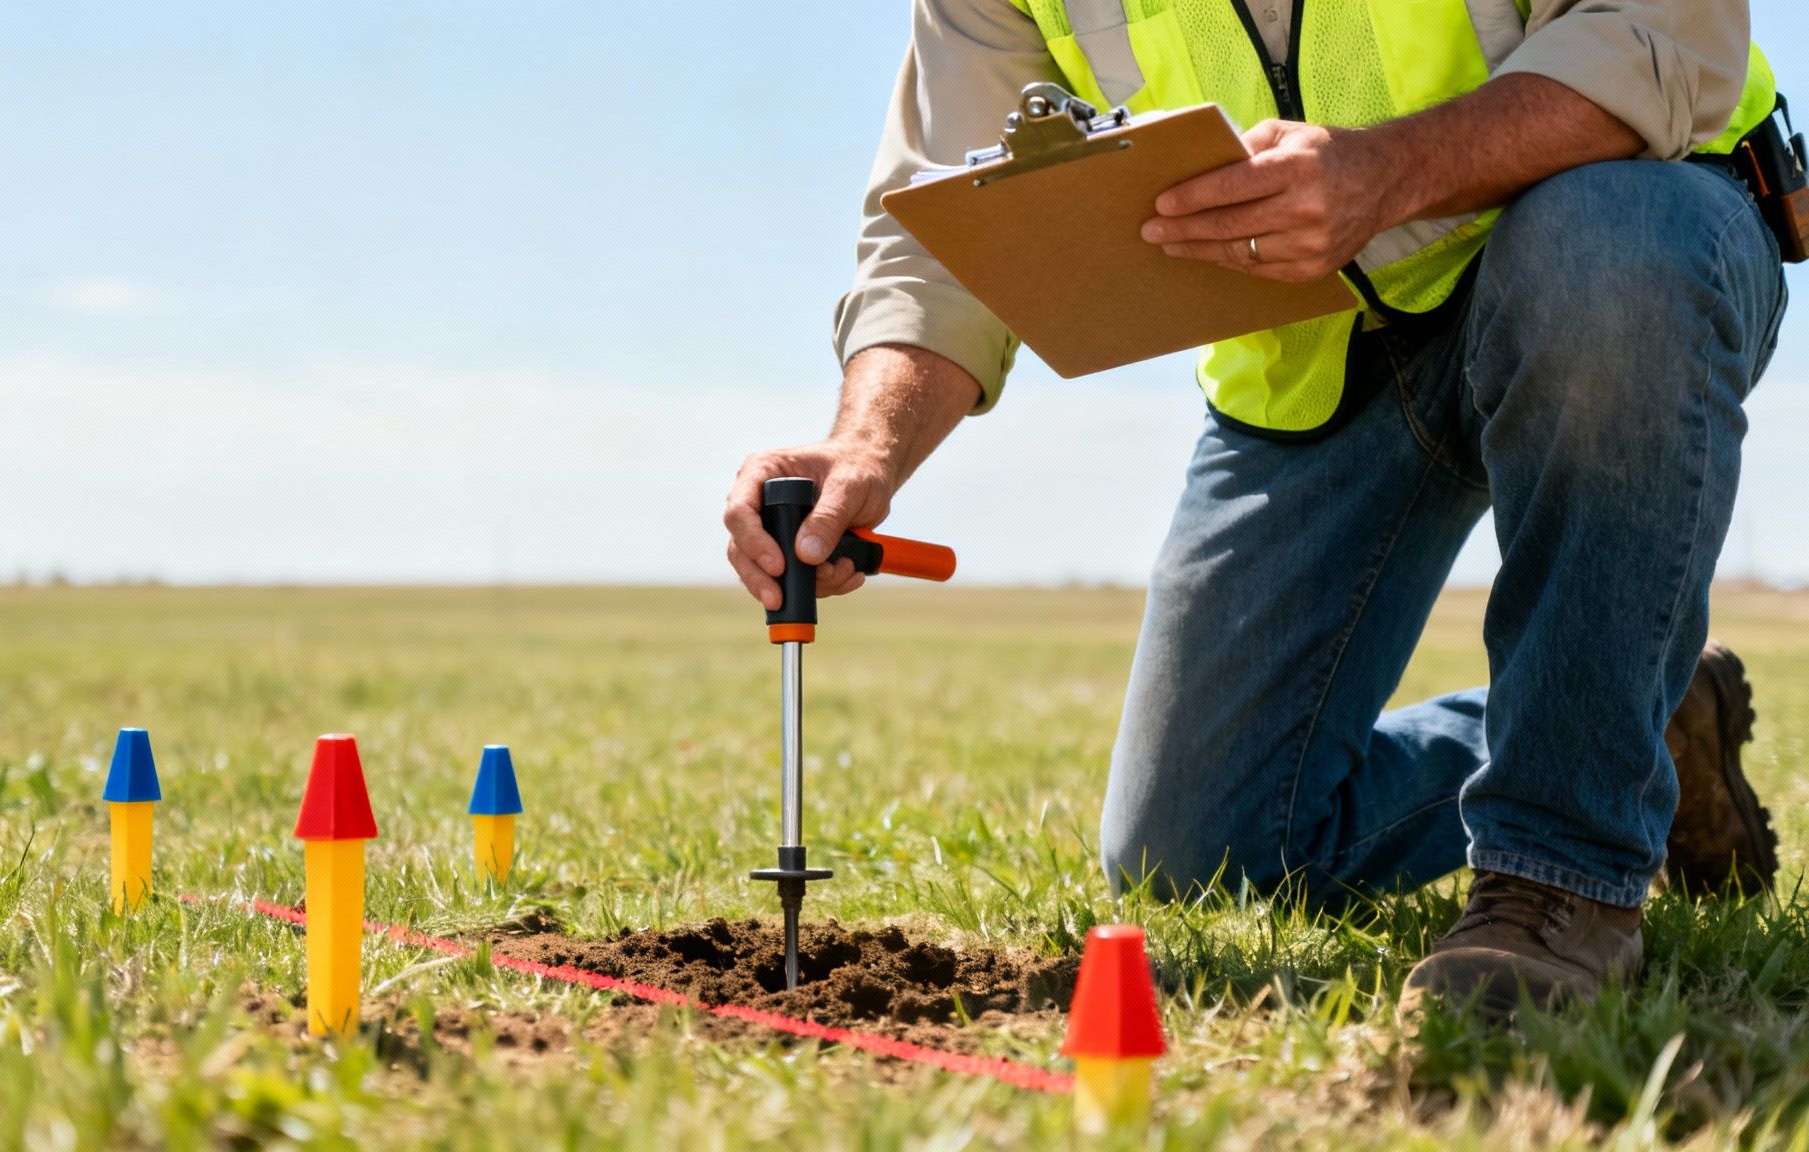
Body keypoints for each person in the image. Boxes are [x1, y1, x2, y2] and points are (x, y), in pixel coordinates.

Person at [723, 0, 1788, 1018]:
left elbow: (1663, 33)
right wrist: (865, 443)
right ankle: (1636, 715)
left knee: (1613, 244)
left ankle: (1558, 875)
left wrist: (1383, 171)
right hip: (1315, 355)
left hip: (1606, 248)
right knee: (1197, 855)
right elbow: (950, 219)